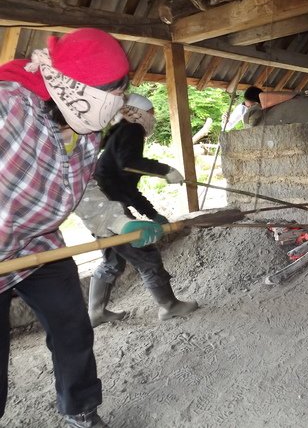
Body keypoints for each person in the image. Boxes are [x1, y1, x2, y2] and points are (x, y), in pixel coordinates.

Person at [0, 28, 164, 428]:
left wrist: (121, 221)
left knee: (73, 328)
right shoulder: (9, 107)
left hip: (39, 248)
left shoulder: (86, 134)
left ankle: (81, 410)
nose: (110, 114)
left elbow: (82, 190)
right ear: (72, 91)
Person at [88, 93, 198, 328]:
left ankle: (96, 312)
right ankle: (170, 306)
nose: (153, 118)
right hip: (110, 210)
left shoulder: (117, 135)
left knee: (113, 263)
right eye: (151, 113)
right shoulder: (132, 130)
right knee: (147, 256)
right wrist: (164, 169)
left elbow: (128, 188)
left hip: (101, 208)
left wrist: (151, 214)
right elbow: (129, 164)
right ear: (140, 113)